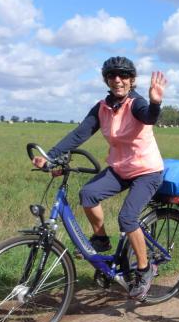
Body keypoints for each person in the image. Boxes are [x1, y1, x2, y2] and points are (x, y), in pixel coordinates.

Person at [32, 56, 167, 301]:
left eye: (123, 75)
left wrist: (155, 103)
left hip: (146, 171)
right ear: (106, 80)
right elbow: (79, 134)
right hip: (120, 168)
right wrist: (50, 157)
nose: (118, 80)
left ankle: (144, 269)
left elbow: (148, 117)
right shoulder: (102, 108)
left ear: (132, 80)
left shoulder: (136, 104)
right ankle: (102, 239)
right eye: (112, 75)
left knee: (127, 218)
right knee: (88, 194)